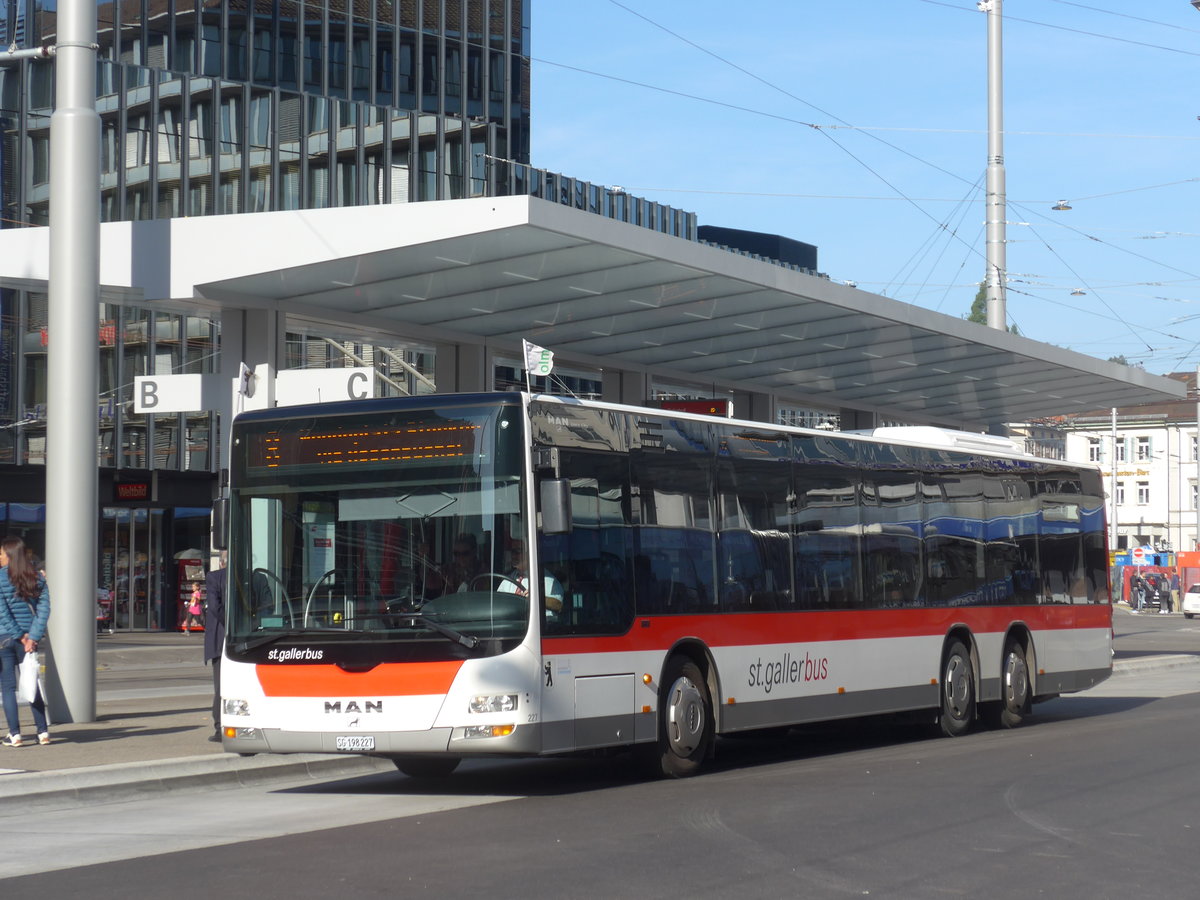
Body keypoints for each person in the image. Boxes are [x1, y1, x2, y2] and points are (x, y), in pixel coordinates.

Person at [0, 536, 51, 747]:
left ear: (10, 556)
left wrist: (18, 634)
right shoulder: (38, 579)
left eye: (1, 554)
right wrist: (32, 636)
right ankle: (43, 733)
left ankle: (15, 735)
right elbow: (43, 610)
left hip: (5, 638)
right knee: (32, 682)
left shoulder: (0, 578)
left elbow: (2, 612)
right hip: (29, 640)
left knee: (8, 687)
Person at [498, 541, 564, 616]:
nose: (513, 556)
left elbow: (558, 605)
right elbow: (497, 602)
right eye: (512, 552)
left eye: (517, 552)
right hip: (511, 624)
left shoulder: (546, 578)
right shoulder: (507, 580)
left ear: (529, 553)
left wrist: (536, 598)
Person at [204, 551, 227, 743]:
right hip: (248, 637)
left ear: (221, 562)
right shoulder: (252, 577)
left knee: (221, 686)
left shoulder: (214, 578)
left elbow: (214, 606)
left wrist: (230, 623)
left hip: (220, 640)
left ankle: (220, 728)